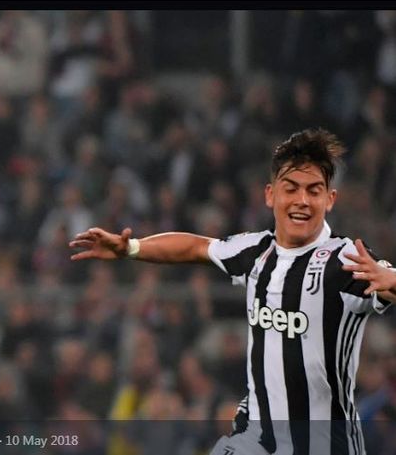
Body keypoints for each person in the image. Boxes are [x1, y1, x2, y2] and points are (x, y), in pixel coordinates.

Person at [69, 129, 395, 455]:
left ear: (330, 199)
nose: (301, 201)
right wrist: (132, 247)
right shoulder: (254, 250)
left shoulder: (346, 259)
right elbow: (196, 247)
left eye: (314, 190)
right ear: (271, 195)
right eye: (291, 189)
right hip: (256, 440)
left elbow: (388, 280)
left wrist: (391, 280)